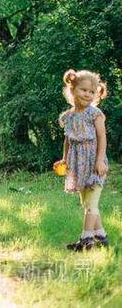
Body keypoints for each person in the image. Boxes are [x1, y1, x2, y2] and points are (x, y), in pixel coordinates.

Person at [55, 69, 109, 251]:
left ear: (96, 94)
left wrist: (100, 161)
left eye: (91, 92)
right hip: (77, 164)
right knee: (86, 202)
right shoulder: (68, 116)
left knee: (91, 203)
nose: (87, 94)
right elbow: (68, 140)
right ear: (72, 90)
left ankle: (86, 240)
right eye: (83, 90)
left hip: (94, 162)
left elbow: (102, 138)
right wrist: (64, 159)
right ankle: (101, 236)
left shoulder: (95, 114)